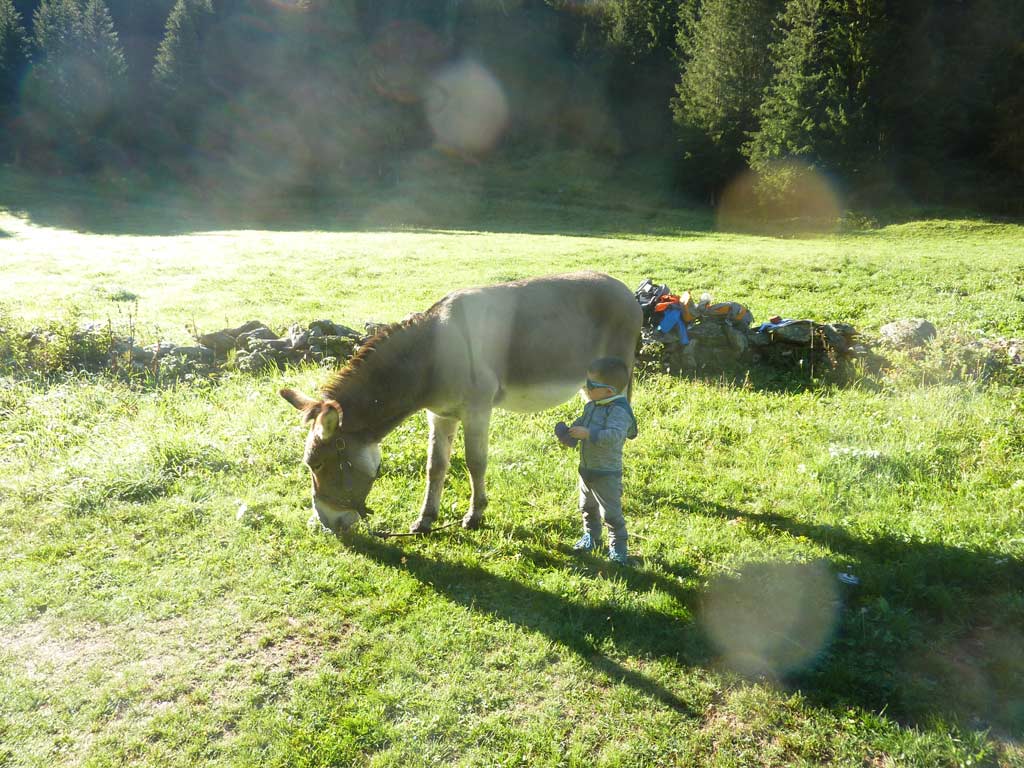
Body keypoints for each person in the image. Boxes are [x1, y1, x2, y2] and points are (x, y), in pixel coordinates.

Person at [554, 356, 638, 564]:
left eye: (591, 385)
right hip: (587, 469)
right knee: (587, 507)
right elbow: (583, 423)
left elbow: (614, 437)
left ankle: (618, 548)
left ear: (608, 391)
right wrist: (570, 434)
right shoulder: (593, 405)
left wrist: (589, 433)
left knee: (611, 513)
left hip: (606, 472)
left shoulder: (618, 411)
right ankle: (591, 536)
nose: (586, 387)